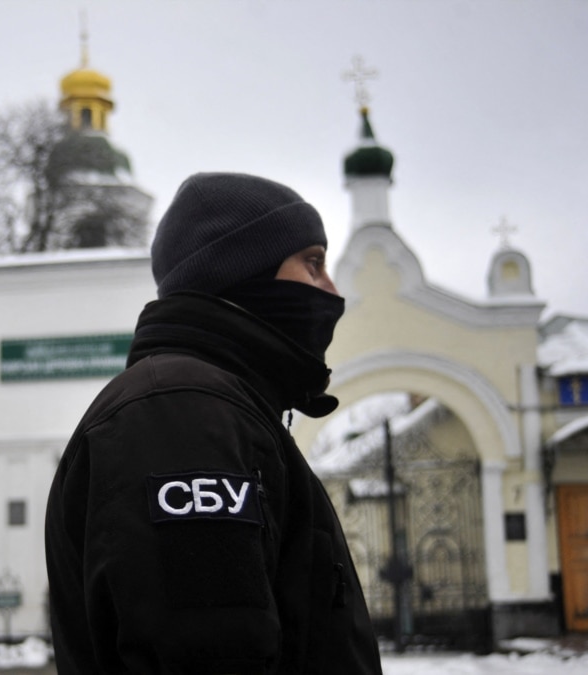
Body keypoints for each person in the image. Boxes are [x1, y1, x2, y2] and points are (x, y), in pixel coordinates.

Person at [44, 172, 383, 674]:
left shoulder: (214, 406)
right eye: (312, 263)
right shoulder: (182, 413)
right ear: (241, 268)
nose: (331, 290)